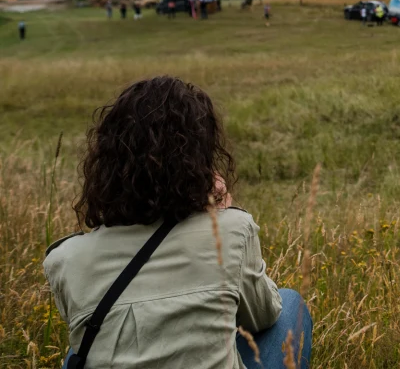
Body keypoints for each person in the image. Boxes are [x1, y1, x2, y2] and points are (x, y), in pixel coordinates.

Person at [43, 76, 312, 369]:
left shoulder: (65, 259)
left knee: (78, 352)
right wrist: (221, 213)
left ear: (106, 164)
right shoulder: (231, 229)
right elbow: (262, 315)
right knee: (289, 304)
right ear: (199, 161)